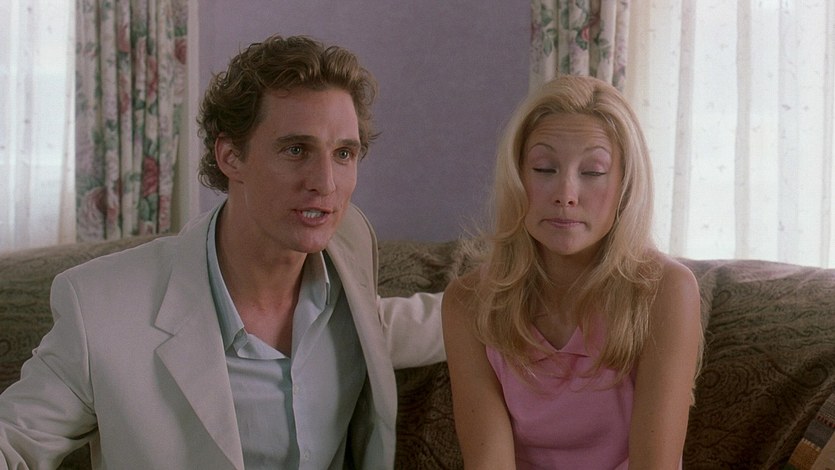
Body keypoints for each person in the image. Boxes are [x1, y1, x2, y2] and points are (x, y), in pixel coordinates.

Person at [0, 35, 444, 469]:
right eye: (296, 150)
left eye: (343, 153)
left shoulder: (348, 269)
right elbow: (14, 440)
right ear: (231, 156)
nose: (325, 183)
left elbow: (401, 324)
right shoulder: (101, 307)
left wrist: (486, 299)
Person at [442, 75, 703, 469]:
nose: (565, 194)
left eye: (593, 172)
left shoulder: (667, 291)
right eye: (544, 168)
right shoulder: (466, 303)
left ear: (625, 185)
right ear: (517, 178)